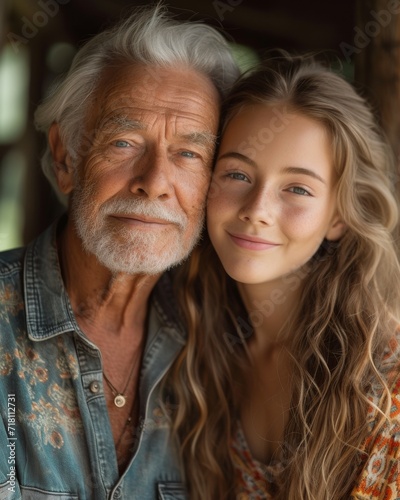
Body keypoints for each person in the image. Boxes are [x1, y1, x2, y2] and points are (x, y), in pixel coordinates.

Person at [0, 4, 239, 499]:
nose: (154, 183)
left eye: (189, 154)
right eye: (125, 142)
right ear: (67, 158)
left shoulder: (220, 351)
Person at [168, 53, 400, 499]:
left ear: (338, 217)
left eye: (297, 188)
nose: (257, 210)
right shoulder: (196, 342)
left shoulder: (387, 384)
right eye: (237, 173)